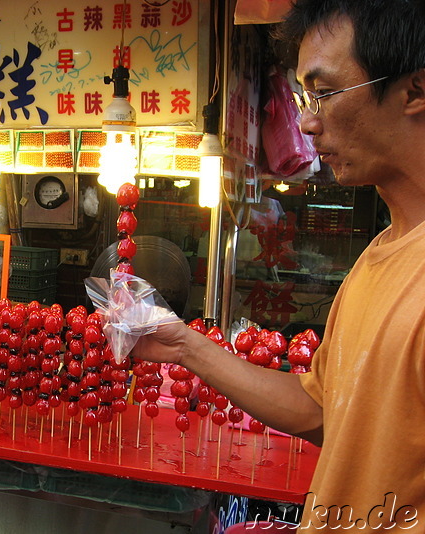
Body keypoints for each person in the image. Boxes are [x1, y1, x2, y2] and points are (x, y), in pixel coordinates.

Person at [135, 0, 425, 531]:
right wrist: (184, 346)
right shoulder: (381, 256)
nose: (307, 121)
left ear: (415, 90)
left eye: (324, 92)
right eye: (302, 96)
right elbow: (320, 410)